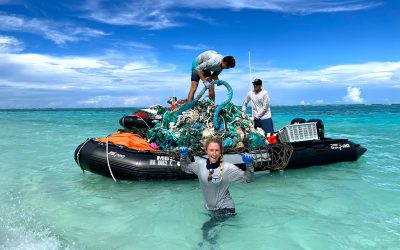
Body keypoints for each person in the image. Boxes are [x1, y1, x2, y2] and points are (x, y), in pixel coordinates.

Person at [179, 137, 253, 245]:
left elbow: (248, 179)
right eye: (211, 150)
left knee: (206, 228)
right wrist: (183, 156)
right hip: (213, 210)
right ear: (206, 151)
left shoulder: (228, 169)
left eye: (217, 150)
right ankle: (211, 245)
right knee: (213, 232)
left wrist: (249, 165)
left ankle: (206, 245)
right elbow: (185, 168)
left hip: (226, 209)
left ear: (221, 151)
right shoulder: (200, 165)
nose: (214, 153)